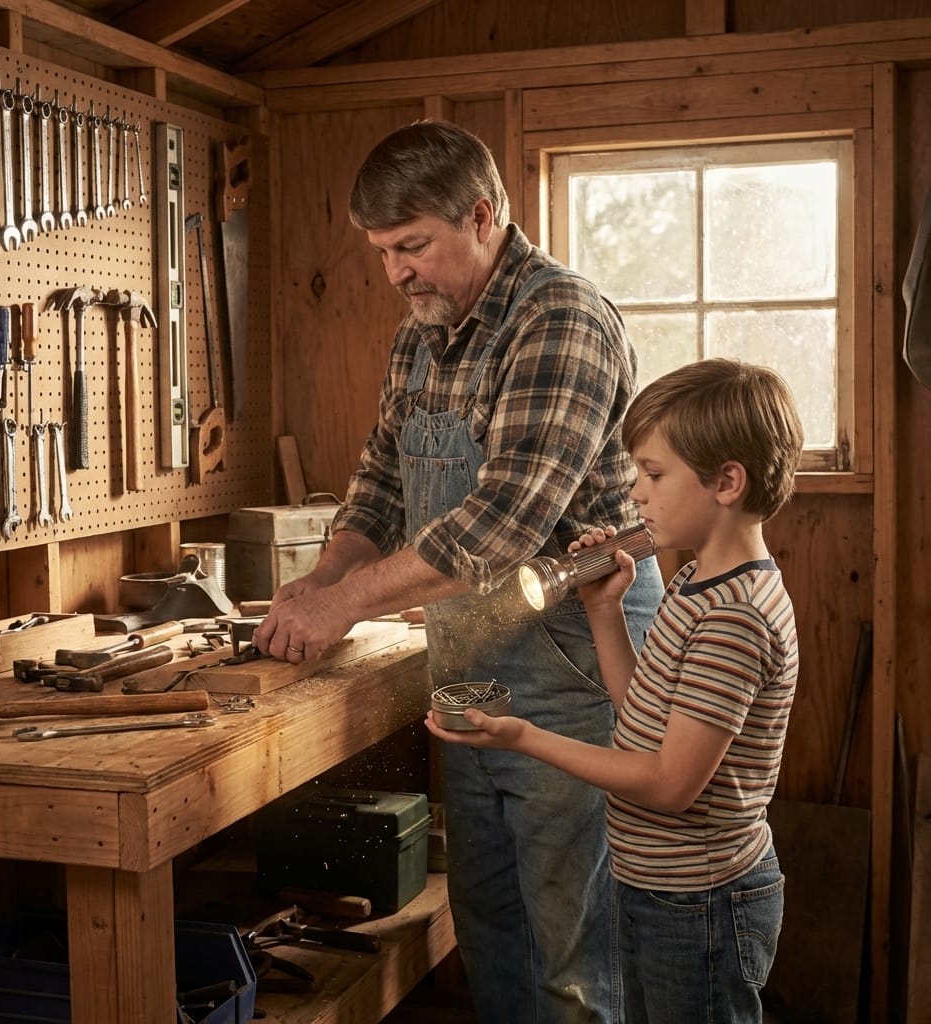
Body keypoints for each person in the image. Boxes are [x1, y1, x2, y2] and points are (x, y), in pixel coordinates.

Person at [253, 119, 664, 1023]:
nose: (396, 272)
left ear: (483, 216)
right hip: (472, 666)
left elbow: (505, 523)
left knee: (575, 955)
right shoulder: (421, 334)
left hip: (576, 664)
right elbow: (378, 491)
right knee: (491, 930)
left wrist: (348, 608)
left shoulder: (561, 319)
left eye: (413, 246)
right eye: (382, 252)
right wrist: (323, 587)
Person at [426, 357, 805, 1024]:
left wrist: (526, 737)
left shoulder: (735, 617)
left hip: (702, 903)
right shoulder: (694, 586)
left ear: (727, 482)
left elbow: (666, 783)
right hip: (659, 889)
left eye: (654, 475)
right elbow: (642, 717)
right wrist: (605, 611)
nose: (636, 494)